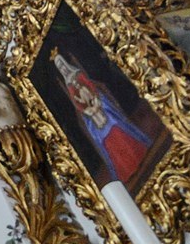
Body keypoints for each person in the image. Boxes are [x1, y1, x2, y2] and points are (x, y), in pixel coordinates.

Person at [50, 50, 154, 184]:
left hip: (100, 103)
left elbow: (92, 87)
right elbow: (78, 105)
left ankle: (135, 152)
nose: (63, 68)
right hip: (90, 114)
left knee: (115, 125)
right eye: (60, 67)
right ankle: (125, 167)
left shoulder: (78, 74)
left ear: (65, 64)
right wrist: (89, 110)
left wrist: (95, 103)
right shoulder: (69, 85)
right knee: (102, 136)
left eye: (62, 65)